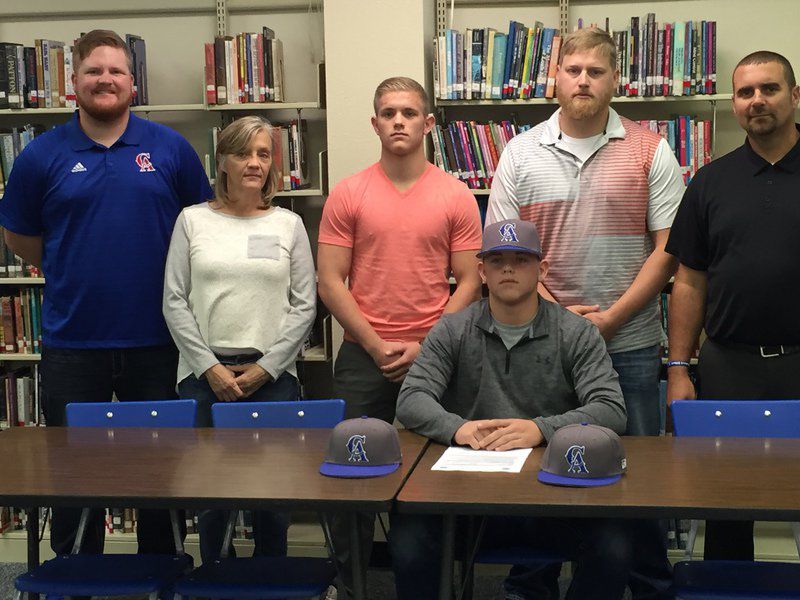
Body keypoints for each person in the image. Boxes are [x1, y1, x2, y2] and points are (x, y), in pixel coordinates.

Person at [0, 29, 212, 561]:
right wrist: (72, 263)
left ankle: (164, 574)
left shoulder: (170, 149)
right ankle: (75, 578)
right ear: (73, 82)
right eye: (94, 71)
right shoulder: (40, 155)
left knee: (161, 471)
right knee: (74, 476)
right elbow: (20, 236)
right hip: (73, 342)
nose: (105, 80)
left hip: (158, 341)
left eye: (115, 71)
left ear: (132, 83)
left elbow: (202, 228)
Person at [485, 27, 682, 597]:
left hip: (633, 347)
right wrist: (567, 324)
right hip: (541, 345)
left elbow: (669, 250)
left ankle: (647, 583)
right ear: (555, 77)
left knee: (638, 474)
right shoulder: (521, 152)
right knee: (537, 468)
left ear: (614, 79)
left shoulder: (651, 149)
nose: (583, 81)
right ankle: (533, 582)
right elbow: (505, 253)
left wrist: (612, 319)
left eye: (595, 72)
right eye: (573, 70)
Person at [392, 218, 631, 600]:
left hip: (554, 496)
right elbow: (412, 398)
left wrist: (541, 429)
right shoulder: (452, 330)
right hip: (466, 497)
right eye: (497, 259)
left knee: (615, 543)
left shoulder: (577, 332)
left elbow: (611, 409)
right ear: (481, 270)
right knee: (409, 535)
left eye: (521, 259)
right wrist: (458, 429)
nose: (508, 268)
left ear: (542, 270)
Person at [317, 76, 482, 591]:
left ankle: (427, 584)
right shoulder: (349, 193)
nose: (398, 122)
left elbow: (472, 280)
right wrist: (373, 342)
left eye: (409, 113)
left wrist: (427, 347)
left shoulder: (455, 195)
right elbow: (329, 280)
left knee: (433, 476)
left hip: (438, 358)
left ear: (428, 123)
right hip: (363, 359)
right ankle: (354, 585)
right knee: (353, 477)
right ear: (374, 123)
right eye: (388, 113)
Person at [665, 50, 800, 562]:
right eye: (745, 92)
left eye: (769, 88)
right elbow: (690, 281)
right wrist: (679, 367)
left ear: (794, 95)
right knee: (724, 503)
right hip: (729, 365)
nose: (757, 101)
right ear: (735, 104)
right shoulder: (709, 182)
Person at [163, 115, 316, 564]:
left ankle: (271, 582)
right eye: (243, 153)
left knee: (273, 498)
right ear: (223, 162)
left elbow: (305, 305)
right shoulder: (191, 221)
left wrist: (265, 368)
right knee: (214, 498)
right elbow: (174, 301)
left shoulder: (288, 224)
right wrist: (209, 368)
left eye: (263, 154)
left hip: (272, 380)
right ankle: (215, 579)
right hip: (203, 378)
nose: (254, 163)